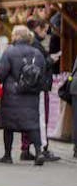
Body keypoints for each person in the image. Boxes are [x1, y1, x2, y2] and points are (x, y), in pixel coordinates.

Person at [0, 25, 46, 166]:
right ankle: (39, 152)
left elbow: (0, 74)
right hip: (31, 95)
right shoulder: (37, 53)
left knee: (9, 126)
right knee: (32, 125)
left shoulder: (9, 52)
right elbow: (42, 72)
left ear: (16, 36)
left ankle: (7, 155)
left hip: (12, 95)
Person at [23, 18, 61, 162]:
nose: (46, 34)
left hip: (31, 86)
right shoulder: (36, 45)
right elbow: (41, 65)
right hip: (39, 85)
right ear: (38, 28)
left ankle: (26, 148)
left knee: (29, 117)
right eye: (45, 30)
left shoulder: (30, 43)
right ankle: (43, 148)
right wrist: (51, 59)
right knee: (41, 117)